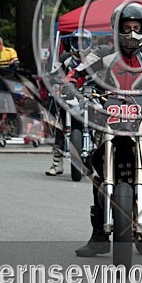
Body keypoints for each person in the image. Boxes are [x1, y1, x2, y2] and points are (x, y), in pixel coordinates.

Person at [62, 1, 142, 257]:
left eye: (136, 27)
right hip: (110, 118)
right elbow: (77, 72)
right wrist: (70, 83)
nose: (131, 33)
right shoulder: (102, 54)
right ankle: (98, 236)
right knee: (95, 165)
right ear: (116, 28)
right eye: (126, 27)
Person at [45, 29, 93, 176]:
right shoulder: (65, 58)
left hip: (89, 97)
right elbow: (54, 73)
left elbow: (103, 75)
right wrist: (54, 78)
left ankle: (98, 157)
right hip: (69, 98)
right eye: (76, 41)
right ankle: (57, 162)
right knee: (59, 127)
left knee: (99, 127)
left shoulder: (93, 59)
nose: (80, 45)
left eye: (83, 42)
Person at [0, 35, 20, 136]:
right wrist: (7, 63)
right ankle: (0, 121)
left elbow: (15, 63)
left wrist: (9, 64)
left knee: (11, 99)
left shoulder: (9, 51)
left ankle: (12, 121)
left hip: (9, 78)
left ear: (0, 43)